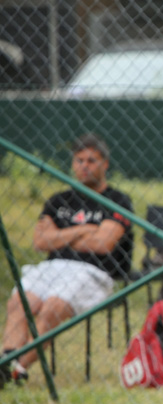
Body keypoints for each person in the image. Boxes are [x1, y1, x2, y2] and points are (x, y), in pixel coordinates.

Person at [1, 133, 133, 389]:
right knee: (20, 301)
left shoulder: (118, 201)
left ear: (105, 164)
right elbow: (40, 242)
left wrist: (59, 236)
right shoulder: (59, 200)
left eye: (91, 161)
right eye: (79, 160)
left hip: (93, 272)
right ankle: (6, 358)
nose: (84, 166)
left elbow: (103, 244)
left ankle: (16, 369)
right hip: (52, 267)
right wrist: (84, 230)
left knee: (52, 307)